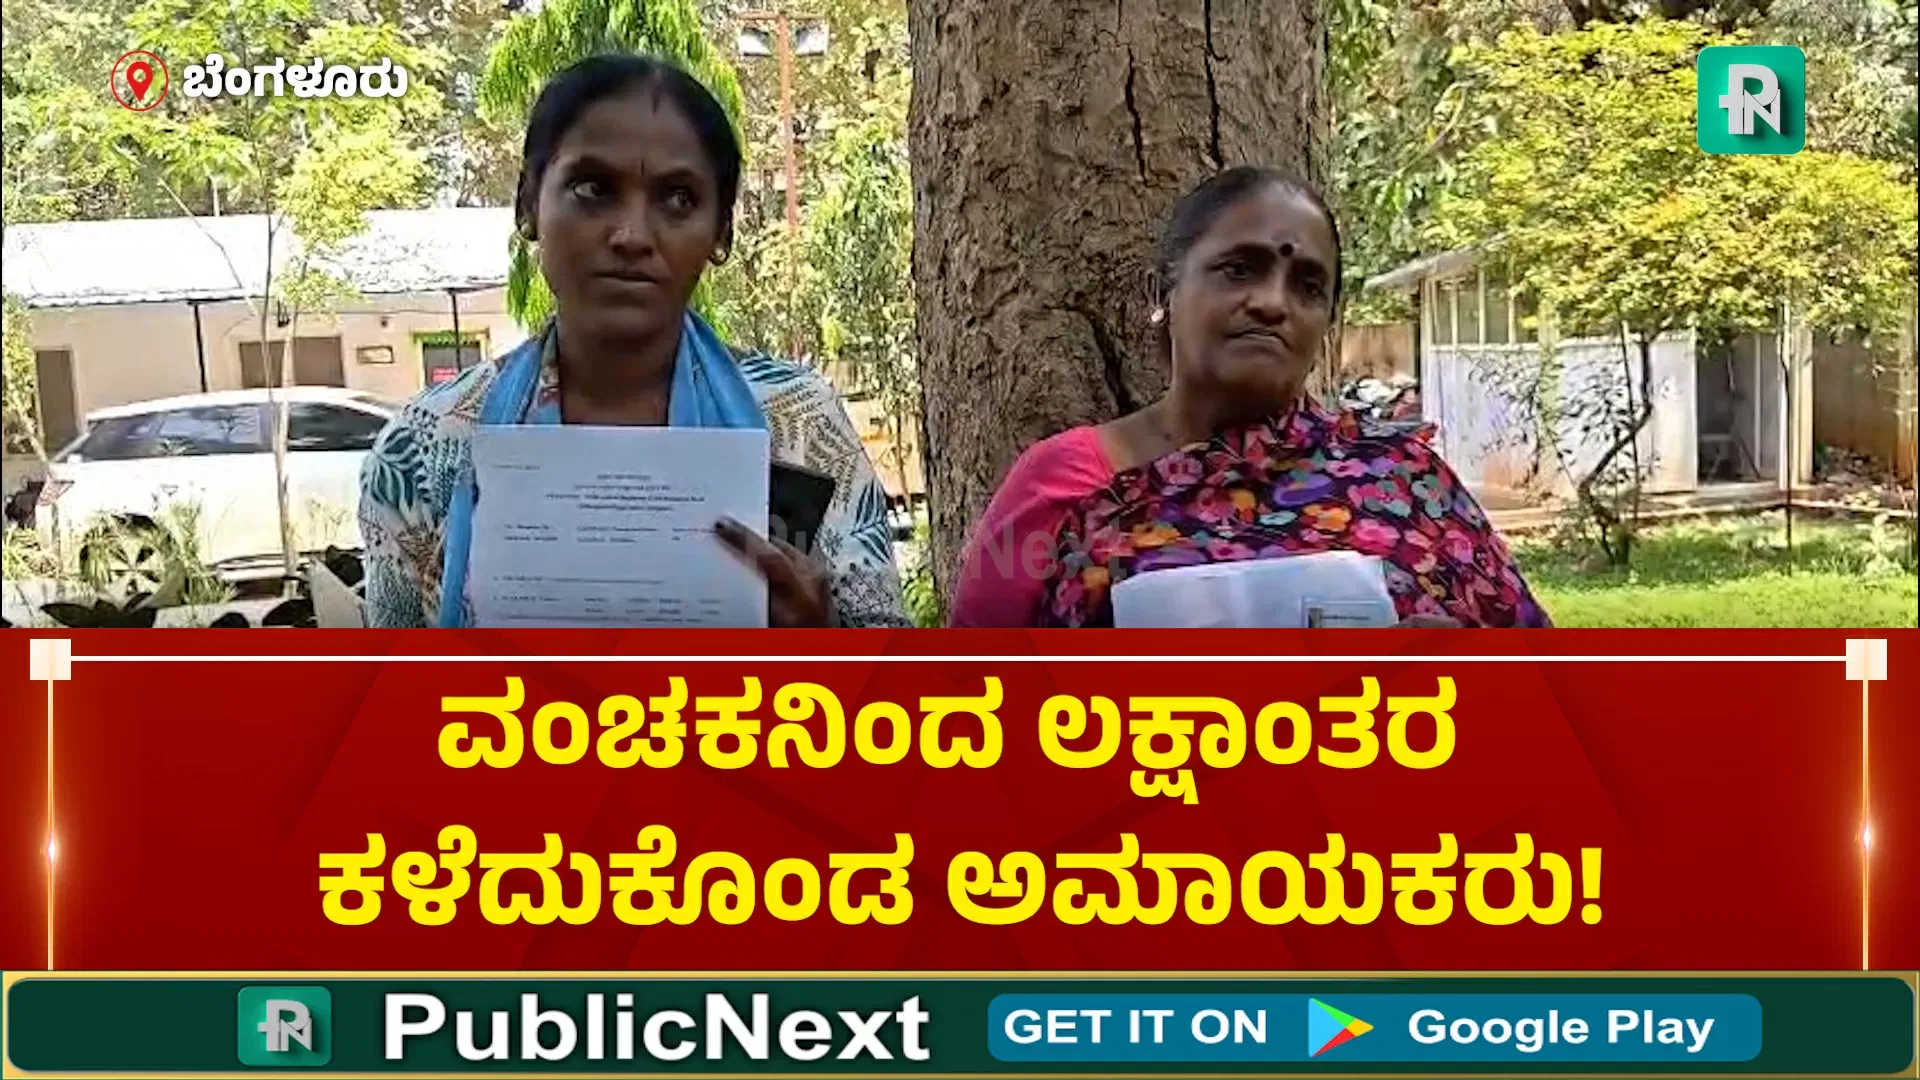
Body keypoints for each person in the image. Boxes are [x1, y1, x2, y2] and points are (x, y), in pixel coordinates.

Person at [358, 54, 906, 628]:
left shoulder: (800, 427)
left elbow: (892, 668)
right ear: (528, 205)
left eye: (679, 199)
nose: (632, 235)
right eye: (593, 189)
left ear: (722, 231)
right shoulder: (426, 448)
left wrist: (820, 642)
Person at [949, 166, 1549, 629]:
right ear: (1161, 293)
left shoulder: (1406, 483)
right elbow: (967, 700)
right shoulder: (1059, 486)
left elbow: (1547, 695)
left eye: (1307, 286)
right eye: (1239, 269)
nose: (1272, 302)